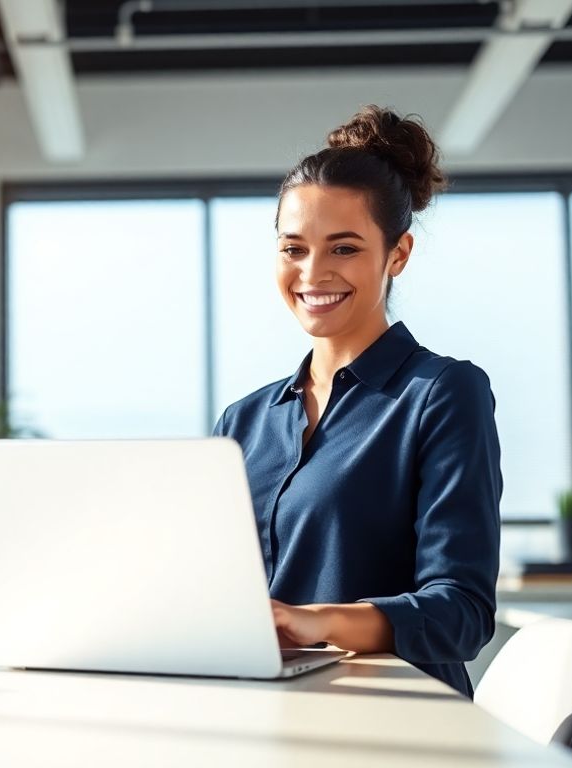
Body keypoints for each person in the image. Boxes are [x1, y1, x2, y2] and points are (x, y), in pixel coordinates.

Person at [212, 104, 502, 698]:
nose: (313, 273)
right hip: (262, 703)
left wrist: (315, 622)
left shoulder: (442, 395)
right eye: (293, 249)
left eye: (343, 248)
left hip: (396, 711)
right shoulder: (242, 421)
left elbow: (462, 612)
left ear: (397, 255)